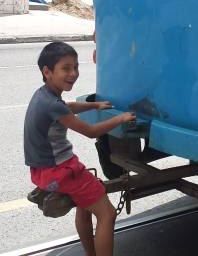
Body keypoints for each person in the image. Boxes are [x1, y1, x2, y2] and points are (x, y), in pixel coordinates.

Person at [24, 42, 136, 256]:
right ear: (47, 71)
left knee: (84, 207)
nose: (73, 73)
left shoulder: (42, 95)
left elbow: (67, 107)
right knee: (107, 215)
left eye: (75, 67)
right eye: (66, 68)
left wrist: (94, 105)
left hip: (43, 171)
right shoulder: (52, 104)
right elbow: (91, 131)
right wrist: (121, 118)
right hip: (62, 171)